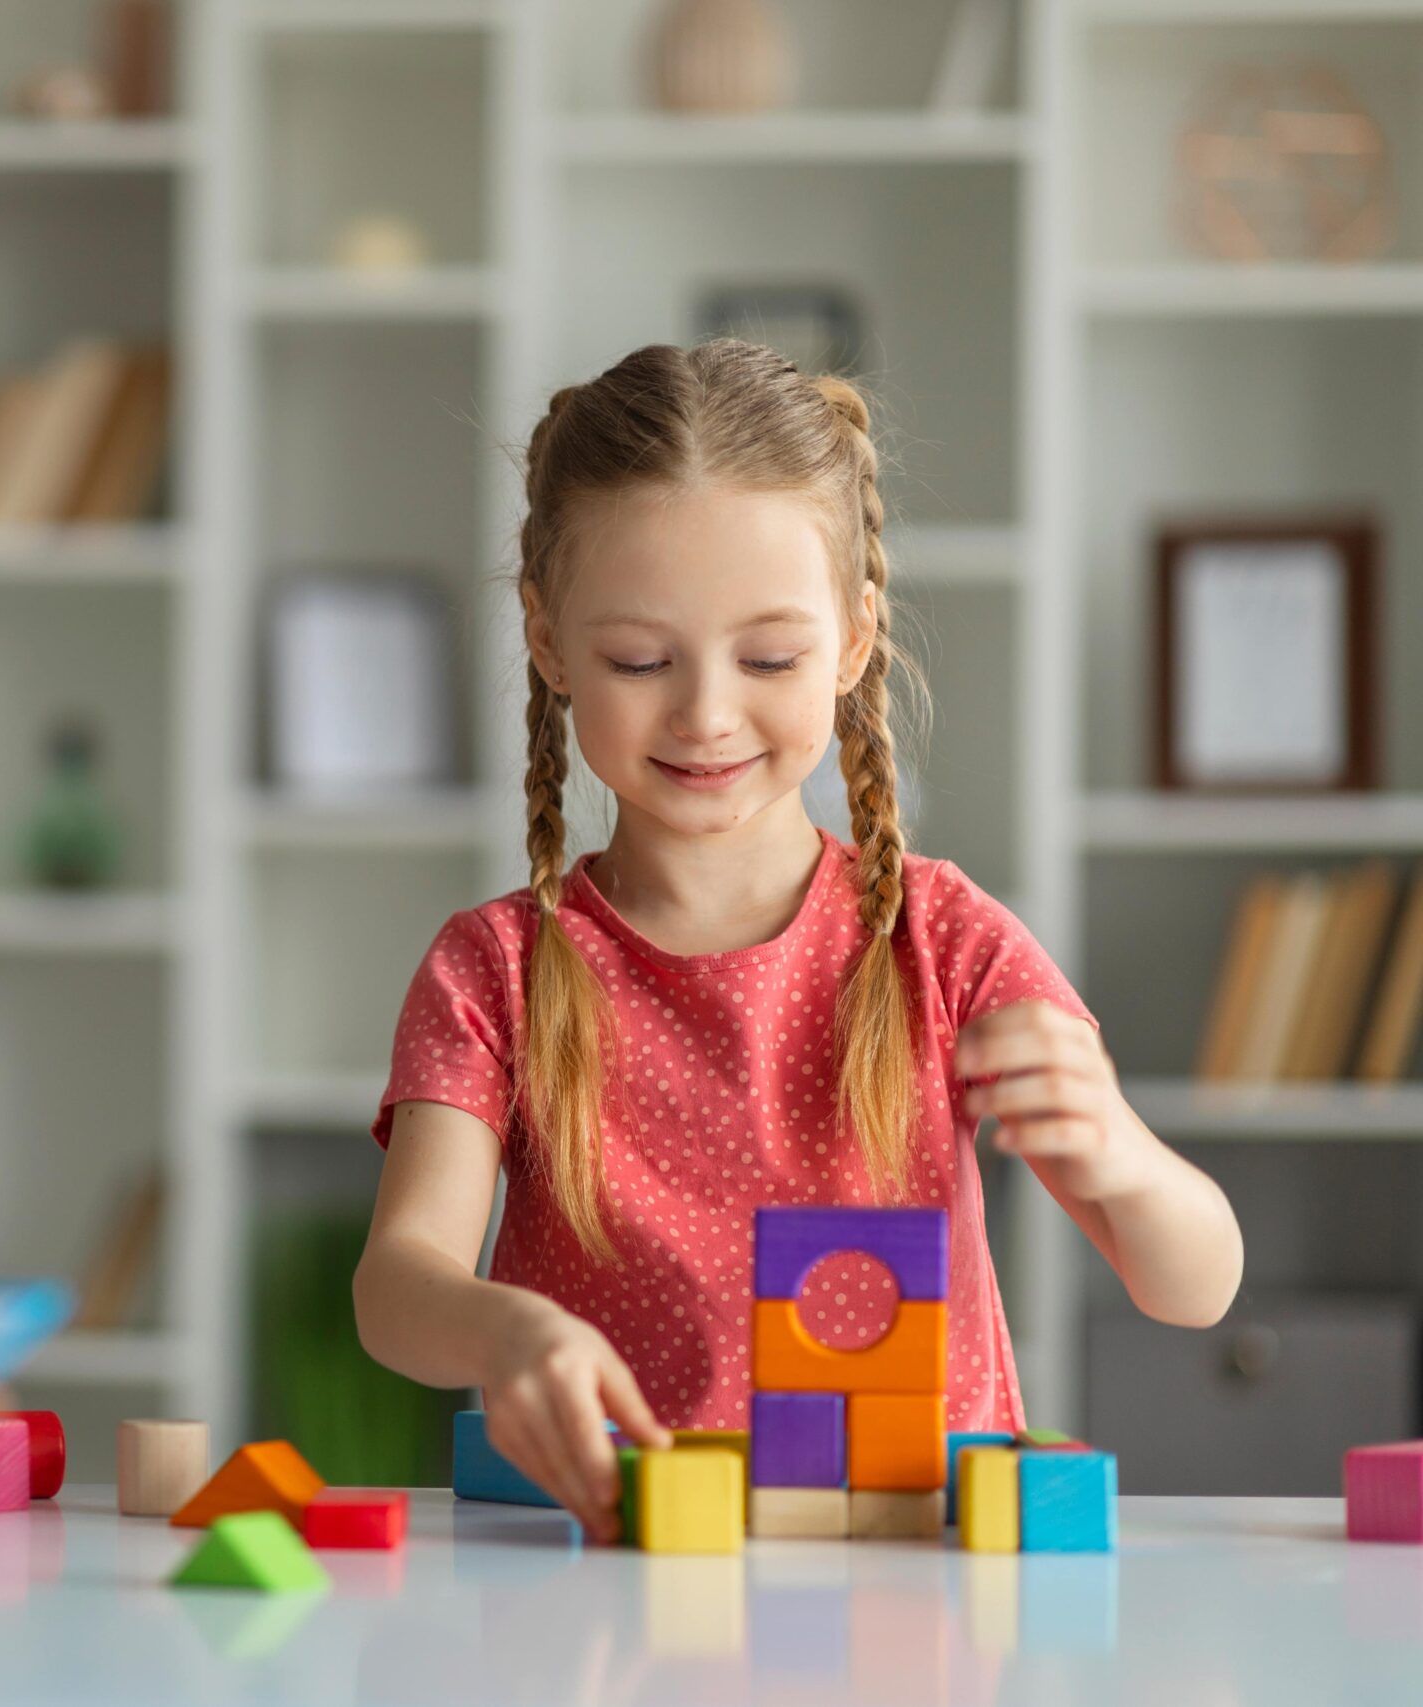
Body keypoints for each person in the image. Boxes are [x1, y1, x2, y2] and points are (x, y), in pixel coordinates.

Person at [351, 340, 1244, 1541]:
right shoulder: (495, 969)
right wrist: (508, 1326)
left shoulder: (943, 941)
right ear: (549, 639)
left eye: (768, 657)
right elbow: (395, 1289)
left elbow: (1193, 1287)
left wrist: (1119, 1153)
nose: (706, 712)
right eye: (637, 659)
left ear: (855, 637)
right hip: (609, 1583)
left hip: (912, 1593)